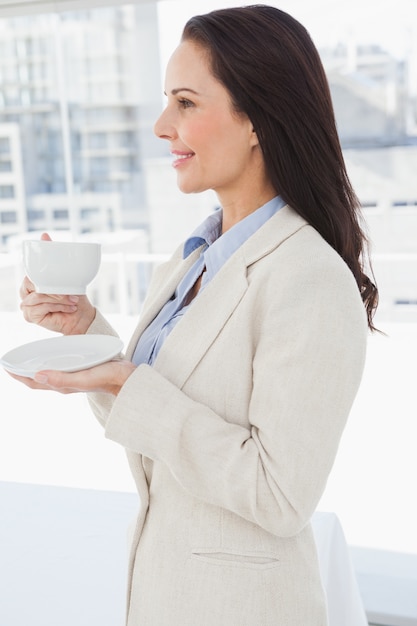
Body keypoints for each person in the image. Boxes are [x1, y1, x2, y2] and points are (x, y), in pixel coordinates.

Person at [12, 5, 378, 625]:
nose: (161, 125)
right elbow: (154, 419)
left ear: (258, 118)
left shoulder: (308, 278)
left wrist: (124, 380)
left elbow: (279, 494)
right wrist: (85, 334)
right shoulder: (190, 262)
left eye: (185, 103)